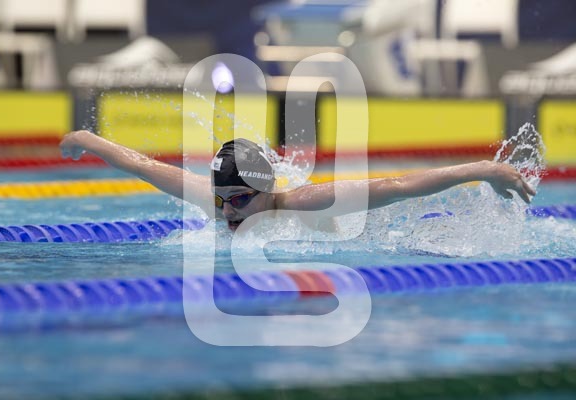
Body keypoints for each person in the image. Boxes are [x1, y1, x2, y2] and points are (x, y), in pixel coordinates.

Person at [60, 130, 536, 231]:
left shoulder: (304, 203)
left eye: (238, 200)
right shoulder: (214, 199)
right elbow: (142, 166)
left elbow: (395, 186)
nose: (226, 211)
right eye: (222, 199)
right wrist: (85, 139)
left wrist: (484, 169)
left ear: (266, 191)